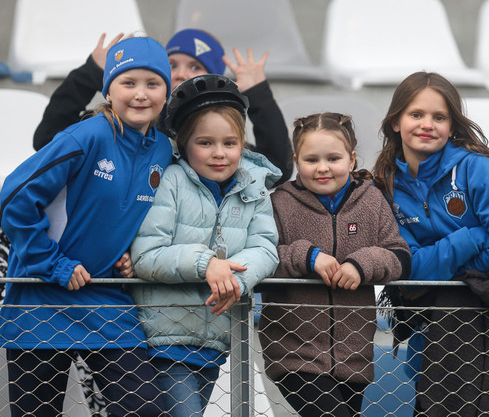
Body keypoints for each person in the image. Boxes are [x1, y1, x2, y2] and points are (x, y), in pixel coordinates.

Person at [0, 36, 172, 416]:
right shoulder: (87, 135)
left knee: (145, 409)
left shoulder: (163, 150)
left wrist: (135, 254)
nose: (140, 94)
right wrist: (52, 263)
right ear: (108, 90)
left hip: (106, 300)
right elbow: (13, 198)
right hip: (41, 299)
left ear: (166, 92)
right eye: (128, 82)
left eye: (152, 83)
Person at [372, 71, 489, 416]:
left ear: (452, 126)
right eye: (416, 114)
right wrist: (472, 236)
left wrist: (450, 269)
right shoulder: (385, 186)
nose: (427, 125)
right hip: (433, 329)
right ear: (395, 122)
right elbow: (411, 267)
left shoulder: (476, 168)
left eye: (439, 117)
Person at [129, 74, 281, 417]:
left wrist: (234, 279)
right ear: (184, 144)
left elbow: (265, 248)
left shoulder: (254, 188)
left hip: (215, 341)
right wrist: (206, 263)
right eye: (205, 142)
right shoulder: (169, 181)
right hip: (166, 339)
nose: (219, 153)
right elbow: (146, 256)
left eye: (230, 143)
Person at [259, 112, 410, 417]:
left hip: (354, 357)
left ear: (351, 159)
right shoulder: (279, 203)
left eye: (333, 158)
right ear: (296, 161)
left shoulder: (372, 201)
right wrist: (307, 257)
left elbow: (399, 256)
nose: (322, 168)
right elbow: (262, 257)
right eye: (311, 159)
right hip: (294, 354)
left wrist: (361, 264)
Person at [33, 28, 293, 184]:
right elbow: (47, 138)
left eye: (195, 67)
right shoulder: (123, 121)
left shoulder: (219, 138)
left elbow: (277, 169)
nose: (180, 74)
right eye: (172, 64)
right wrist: (91, 74)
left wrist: (258, 95)